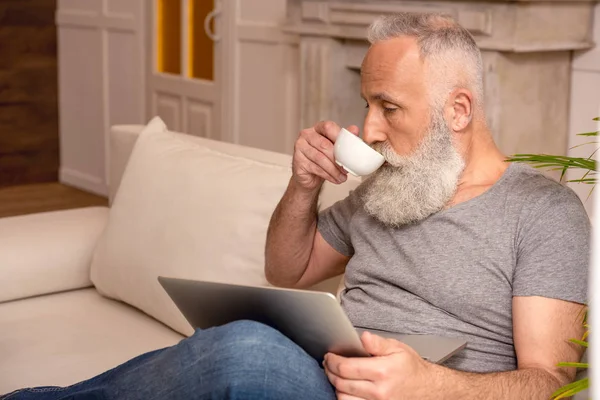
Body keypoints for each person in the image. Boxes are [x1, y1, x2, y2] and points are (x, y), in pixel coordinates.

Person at [3, 12, 589, 400]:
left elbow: (554, 382)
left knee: (247, 352)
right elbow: (287, 270)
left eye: (389, 107)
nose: (368, 128)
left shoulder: (543, 210)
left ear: (458, 110)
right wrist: (303, 185)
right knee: (241, 343)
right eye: (366, 105)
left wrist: (428, 384)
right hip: (324, 376)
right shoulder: (391, 187)